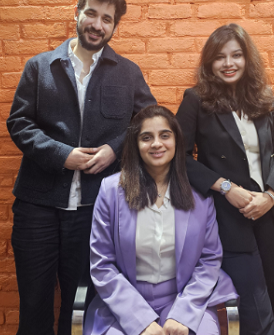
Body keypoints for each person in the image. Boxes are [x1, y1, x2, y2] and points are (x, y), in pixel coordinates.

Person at [7, 0, 156, 335]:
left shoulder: (128, 73)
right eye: (91, 13)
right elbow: (19, 123)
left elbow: (149, 122)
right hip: (36, 207)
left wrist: (115, 149)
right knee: (33, 305)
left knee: (81, 307)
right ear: (76, 13)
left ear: (115, 26)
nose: (97, 24)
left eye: (107, 19)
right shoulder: (39, 67)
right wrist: (62, 155)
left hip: (95, 211)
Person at [175, 24, 274, 335]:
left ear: (247, 59)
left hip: (271, 214)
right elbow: (178, 157)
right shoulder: (196, 100)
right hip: (229, 218)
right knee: (254, 311)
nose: (228, 63)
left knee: (271, 304)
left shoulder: (264, 97)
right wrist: (226, 187)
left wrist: (270, 196)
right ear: (209, 62)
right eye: (220, 57)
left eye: (236, 55)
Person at [84, 105, 238, 335]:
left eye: (165, 135)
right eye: (147, 137)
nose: (157, 144)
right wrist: (140, 321)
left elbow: (209, 260)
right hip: (124, 303)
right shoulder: (111, 191)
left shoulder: (200, 194)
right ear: (136, 144)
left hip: (186, 298)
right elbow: (102, 265)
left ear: (176, 141)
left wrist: (182, 315)